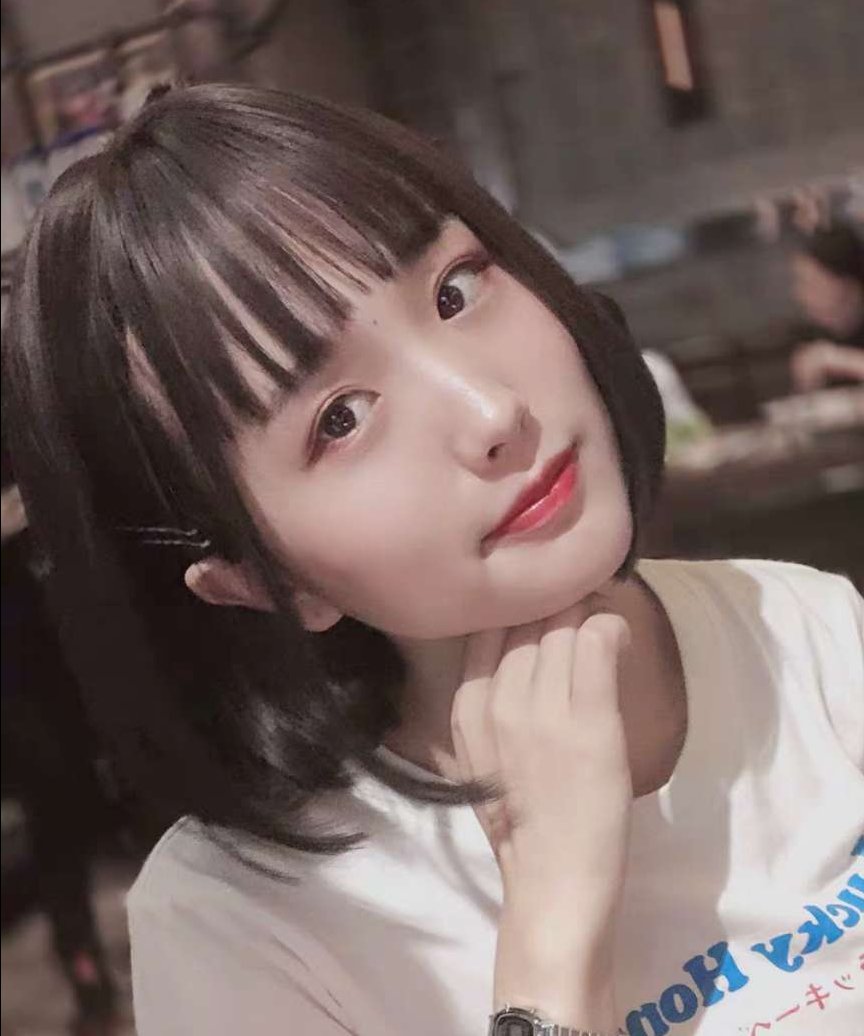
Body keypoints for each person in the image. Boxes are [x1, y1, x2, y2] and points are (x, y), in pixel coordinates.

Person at [3, 84, 862, 1036]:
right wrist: (550, 940)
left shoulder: (808, 633)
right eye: (339, 419)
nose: (492, 411)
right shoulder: (241, 927)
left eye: (456, 291)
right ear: (257, 577)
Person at [1, 439, 120, 1036]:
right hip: (18, 675)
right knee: (55, 823)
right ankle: (87, 977)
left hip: (80, 639)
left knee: (146, 789)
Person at [788, 221, 864, 391]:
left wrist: (842, 361)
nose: (801, 296)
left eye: (812, 283)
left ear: (849, 286)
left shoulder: (829, 354)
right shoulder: (815, 337)